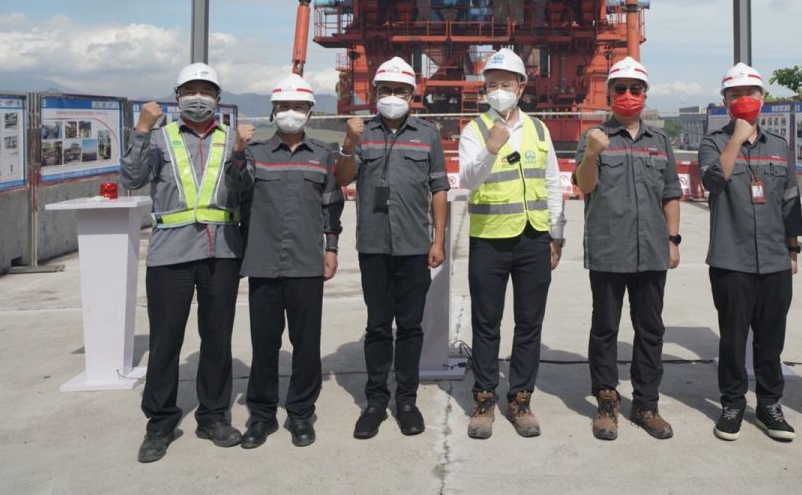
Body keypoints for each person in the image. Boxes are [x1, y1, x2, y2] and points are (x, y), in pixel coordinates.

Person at [121, 62, 244, 463]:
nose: (198, 97)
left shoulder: (231, 140)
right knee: (165, 342)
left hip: (221, 254)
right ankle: (159, 424)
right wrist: (139, 130)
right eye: (190, 90)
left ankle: (213, 417)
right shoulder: (159, 138)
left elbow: (245, 188)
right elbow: (132, 179)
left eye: (206, 91)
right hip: (170, 255)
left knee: (217, 340)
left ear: (218, 99)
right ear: (176, 98)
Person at [335, 57, 450, 439]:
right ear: (375, 94)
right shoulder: (361, 132)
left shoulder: (427, 134)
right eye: (386, 90)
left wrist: (438, 240)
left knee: (411, 326)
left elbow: (439, 188)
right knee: (378, 326)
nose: (393, 97)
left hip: (415, 245)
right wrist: (349, 143)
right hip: (373, 245)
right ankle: (374, 400)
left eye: (401, 91)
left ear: (412, 97)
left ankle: (406, 400)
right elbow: (344, 177)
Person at [226, 73, 342, 450]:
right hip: (262, 262)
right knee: (264, 344)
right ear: (273, 111)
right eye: (284, 107)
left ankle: (300, 414)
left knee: (306, 344)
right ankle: (261, 417)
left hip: (307, 263)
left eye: (298, 107)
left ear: (309, 112)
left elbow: (332, 206)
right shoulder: (255, 153)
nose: (291, 113)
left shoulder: (323, 155)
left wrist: (332, 247)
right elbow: (236, 188)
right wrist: (238, 152)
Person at [573, 57, 682, 441]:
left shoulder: (660, 142)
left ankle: (646, 405)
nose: (628, 96)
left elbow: (671, 193)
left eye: (636, 89)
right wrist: (591, 153)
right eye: (620, 89)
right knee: (605, 329)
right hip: (608, 249)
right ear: (609, 94)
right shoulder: (594, 137)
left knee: (650, 330)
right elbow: (584, 187)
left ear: (645, 95)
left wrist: (673, 240)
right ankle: (606, 404)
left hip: (652, 250)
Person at [457, 48, 563, 439]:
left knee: (529, 324)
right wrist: (491, 148)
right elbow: (467, 180)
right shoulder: (474, 129)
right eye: (492, 85)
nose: (499, 90)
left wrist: (557, 232)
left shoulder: (538, 129)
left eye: (506, 84)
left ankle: (520, 399)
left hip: (534, 238)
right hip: (489, 241)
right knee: (486, 324)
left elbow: (552, 181)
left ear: (521, 87)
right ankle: (484, 399)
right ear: (484, 89)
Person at [698, 62, 802, 443]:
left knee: (771, 339)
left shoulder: (780, 147)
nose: (744, 100)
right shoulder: (713, 142)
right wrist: (735, 140)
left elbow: (790, 200)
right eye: (735, 95)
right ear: (725, 101)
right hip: (731, 257)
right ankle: (732, 404)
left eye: (751, 94)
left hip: (775, 258)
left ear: (763, 99)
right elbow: (712, 180)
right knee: (733, 336)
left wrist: (793, 249)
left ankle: (770, 405)